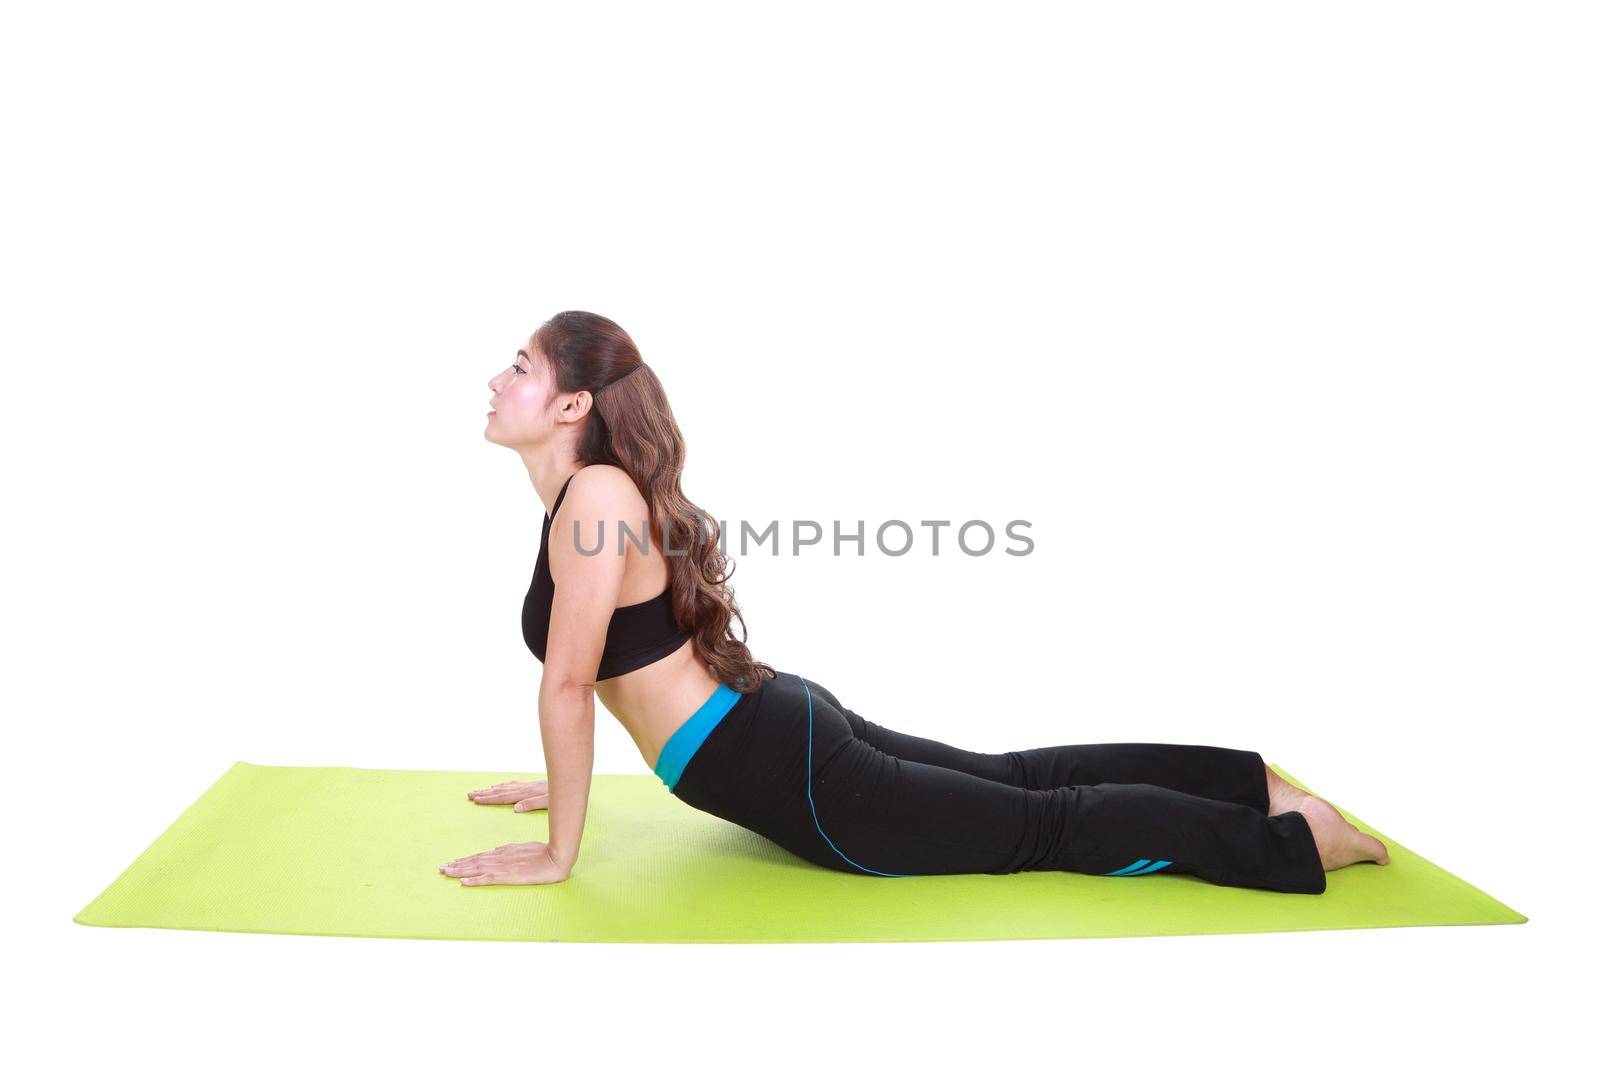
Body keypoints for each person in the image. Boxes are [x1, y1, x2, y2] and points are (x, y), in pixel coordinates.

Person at [439, 310, 1390, 892]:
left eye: (519, 365)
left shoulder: (594, 495)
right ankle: (1244, 780)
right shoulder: (587, 493)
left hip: (782, 765)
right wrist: (564, 788)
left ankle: (1294, 840)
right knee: (1017, 777)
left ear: (572, 407)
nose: (497, 377)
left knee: (1039, 827)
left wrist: (559, 850)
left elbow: (570, 686)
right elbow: (624, 675)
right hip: (771, 729)